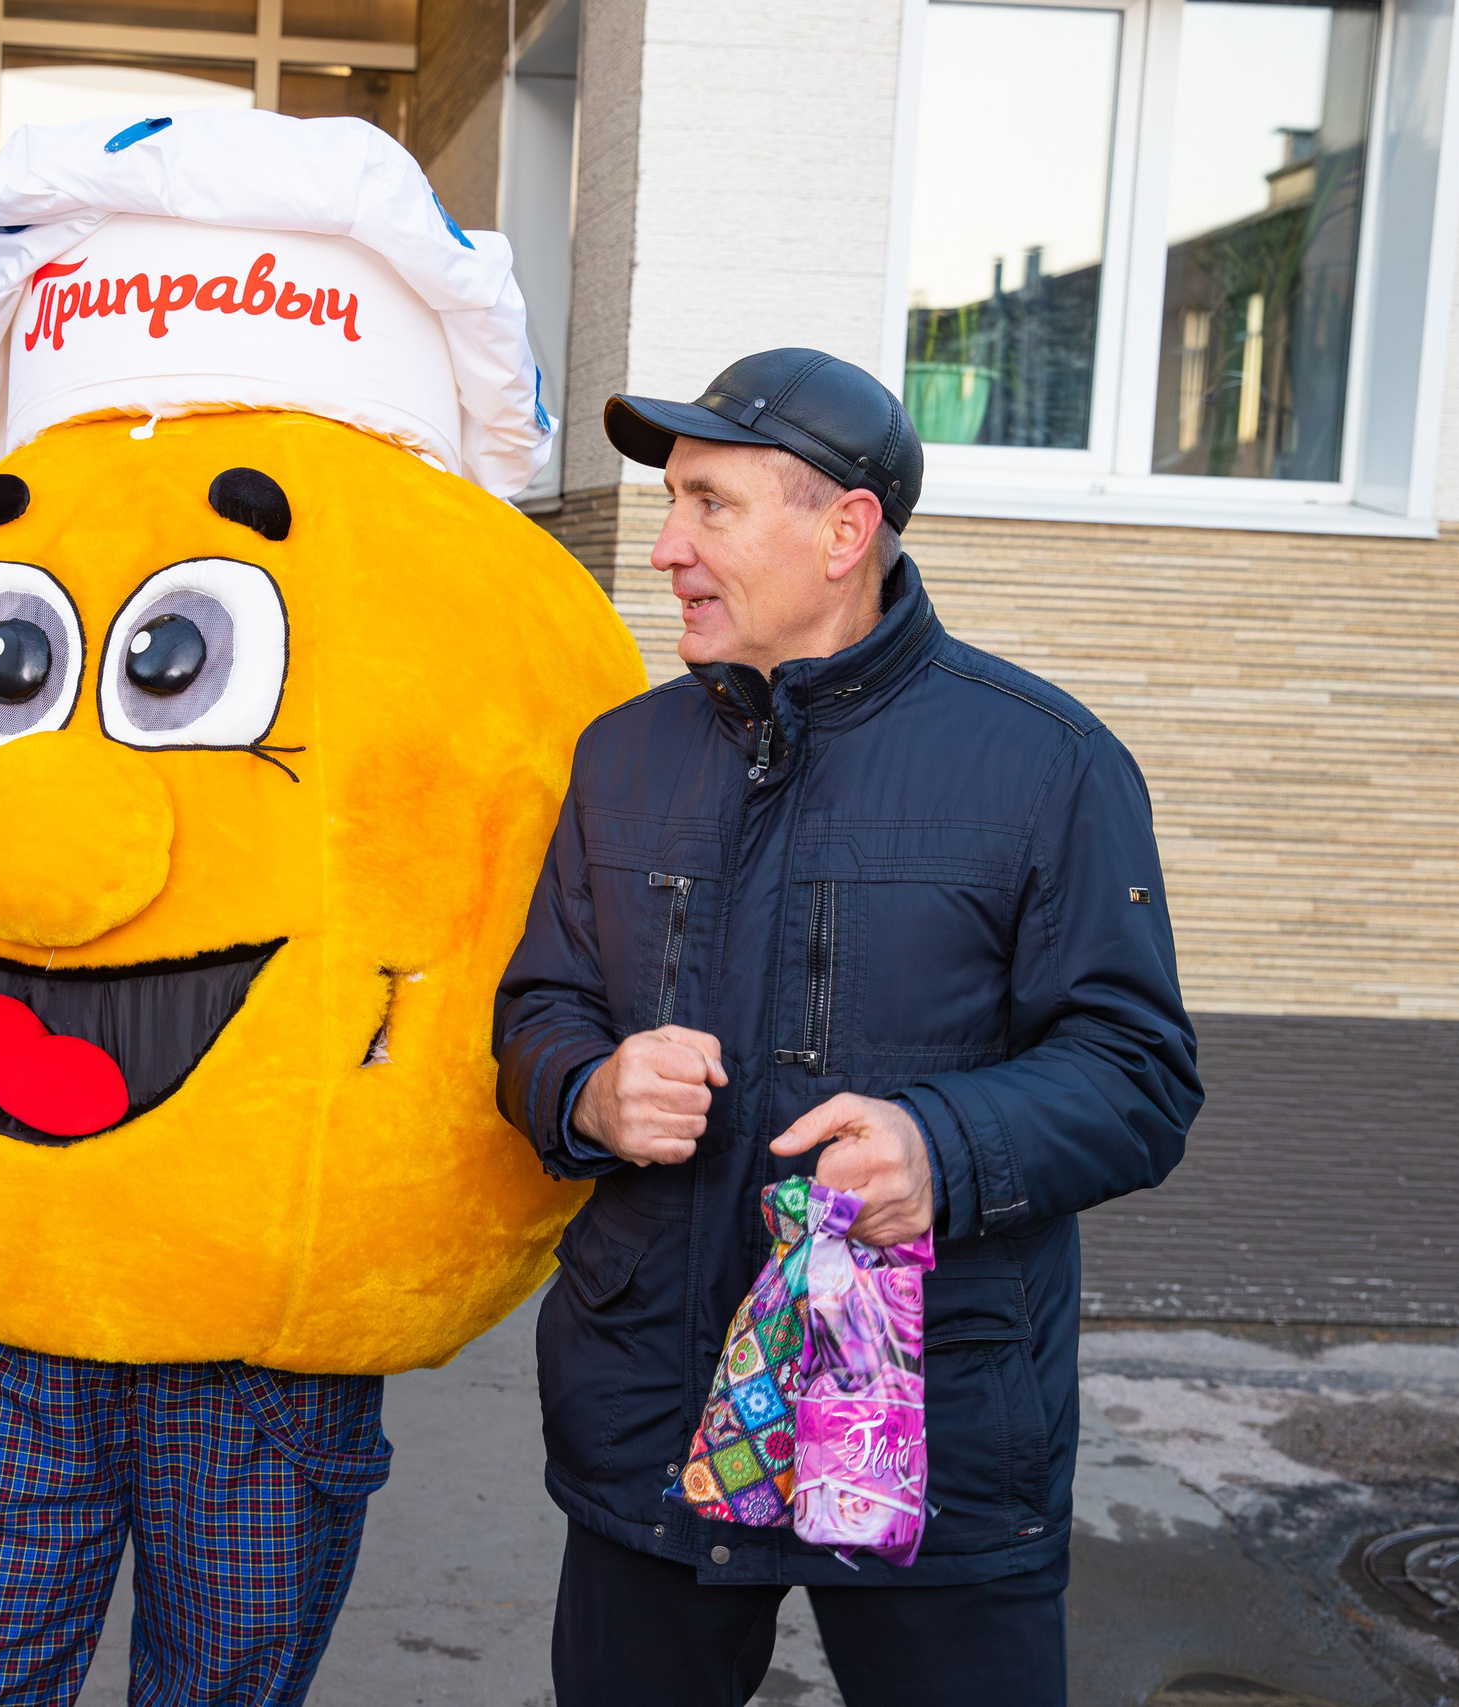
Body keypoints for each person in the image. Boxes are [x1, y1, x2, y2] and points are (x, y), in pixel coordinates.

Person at [493, 349, 1202, 1705]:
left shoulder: (1047, 764)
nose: (667, 547)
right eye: (671, 501)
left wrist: (943, 1146)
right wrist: (587, 1088)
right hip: (654, 1403)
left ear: (844, 531)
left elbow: (1137, 1073)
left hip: (939, 1424)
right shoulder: (621, 755)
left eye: (709, 503)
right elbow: (540, 1010)